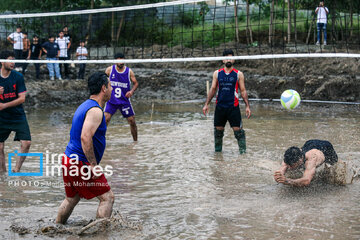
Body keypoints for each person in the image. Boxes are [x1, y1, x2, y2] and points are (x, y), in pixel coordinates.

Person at [56, 72, 114, 224]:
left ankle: (56, 227)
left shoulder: (84, 105)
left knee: (71, 198)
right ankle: (101, 234)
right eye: (109, 86)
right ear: (103, 88)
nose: (112, 89)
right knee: (107, 198)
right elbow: (85, 137)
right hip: (81, 163)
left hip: (69, 159)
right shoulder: (95, 110)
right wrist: (94, 166)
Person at [202, 49, 251, 154]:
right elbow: (213, 89)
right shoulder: (217, 73)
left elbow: (243, 91)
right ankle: (218, 156)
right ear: (223, 60)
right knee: (218, 132)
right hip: (220, 107)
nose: (228, 59)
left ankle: (243, 155)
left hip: (233, 108)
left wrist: (247, 106)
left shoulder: (238, 74)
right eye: (226, 58)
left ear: (234, 60)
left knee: (239, 132)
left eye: (231, 57)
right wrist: (206, 104)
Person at [0, 50, 31, 173]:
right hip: (1, 117)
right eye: (10, 59)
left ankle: (17, 170)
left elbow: (22, 98)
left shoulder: (18, 77)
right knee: (0, 146)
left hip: (17, 115)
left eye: (14, 59)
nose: (13, 62)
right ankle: (2, 174)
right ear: (2, 62)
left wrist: (4, 105)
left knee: (27, 143)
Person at [274, 139, 338, 187]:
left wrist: (287, 181)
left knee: (335, 168)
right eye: (288, 165)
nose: (289, 167)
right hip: (309, 144)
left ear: (300, 160)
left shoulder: (312, 159)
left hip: (326, 148)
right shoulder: (289, 157)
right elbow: (281, 170)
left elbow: (306, 181)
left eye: (292, 165)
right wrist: (279, 176)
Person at [104, 53, 139, 141]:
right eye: (119, 60)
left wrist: (131, 91)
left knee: (132, 121)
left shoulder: (129, 71)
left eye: (122, 60)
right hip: (112, 101)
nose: (121, 62)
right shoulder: (110, 70)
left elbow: (136, 83)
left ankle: (135, 142)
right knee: (105, 120)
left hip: (124, 101)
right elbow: (103, 80)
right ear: (115, 61)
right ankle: (100, 140)